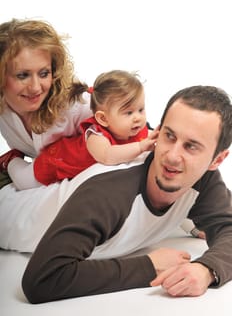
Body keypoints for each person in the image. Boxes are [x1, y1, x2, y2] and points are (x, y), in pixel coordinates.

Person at [22, 85, 232, 303]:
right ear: (158, 132)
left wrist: (207, 269)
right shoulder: (108, 192)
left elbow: (228, 228)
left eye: (191, 146)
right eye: (169, 136)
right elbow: (42, 279)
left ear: (216, 160)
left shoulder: (202, 179)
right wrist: (148, 266)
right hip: (13, 207)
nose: (172, 156)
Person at [2, 70, 157, 189]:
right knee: (25, 182)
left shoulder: (135, 128)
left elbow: (150, 136)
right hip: (55, 162)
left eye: (141, 109)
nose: (138, 118)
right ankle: (11, 161)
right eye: (128, 113)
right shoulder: (96, 135)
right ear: (103, 119)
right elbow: (108, 156)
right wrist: (141, 147)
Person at [0, 18, 92, 189]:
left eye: (44, 73)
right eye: (22, 75)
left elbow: (123, 124)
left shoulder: (76, 105)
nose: (35, 88)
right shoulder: (3, 109)